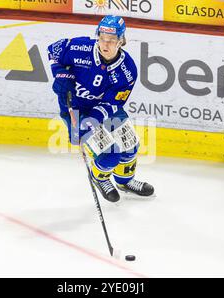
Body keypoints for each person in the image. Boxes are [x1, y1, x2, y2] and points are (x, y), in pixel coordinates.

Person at [47, 15, 154, 203]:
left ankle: (124, 181)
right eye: (102, 38)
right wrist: (60, 74)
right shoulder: (80, 47)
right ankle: (100, 178)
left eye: (112, 40)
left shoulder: (127, 69)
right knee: (110, 155)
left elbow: (115, 103)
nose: (105, 44)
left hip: (104, 110)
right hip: (76, 110)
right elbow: (53, 50)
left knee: (130, 146)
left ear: (121, 41)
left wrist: (94, 119)